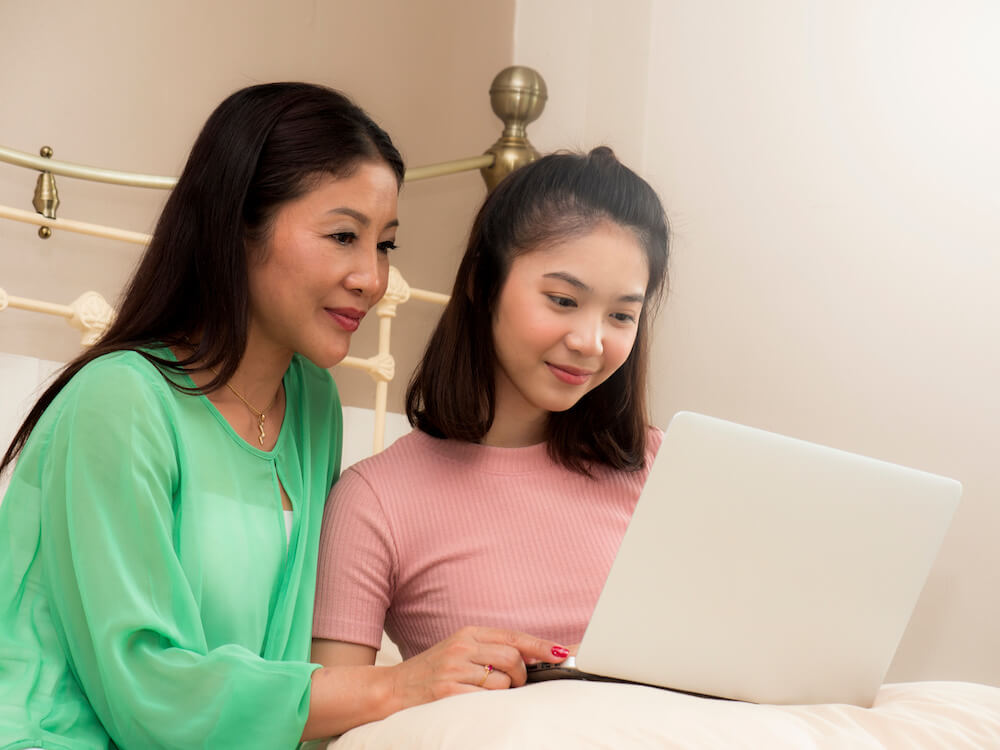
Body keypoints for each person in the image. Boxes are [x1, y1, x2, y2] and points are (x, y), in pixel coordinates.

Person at [0, 82, 566, 750]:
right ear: (237, 225)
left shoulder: (311, 402)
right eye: (342, 236)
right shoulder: (120, 401)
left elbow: (289, 666)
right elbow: (146, 692)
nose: (372, 279)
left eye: (385, 245)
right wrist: (400, 684)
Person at [312, 147, 669, 667]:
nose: (591, 341)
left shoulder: (663, 469)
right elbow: (328, 723)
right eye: (564, 301)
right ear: (484, 283)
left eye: (620, 315)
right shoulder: (374, 502)